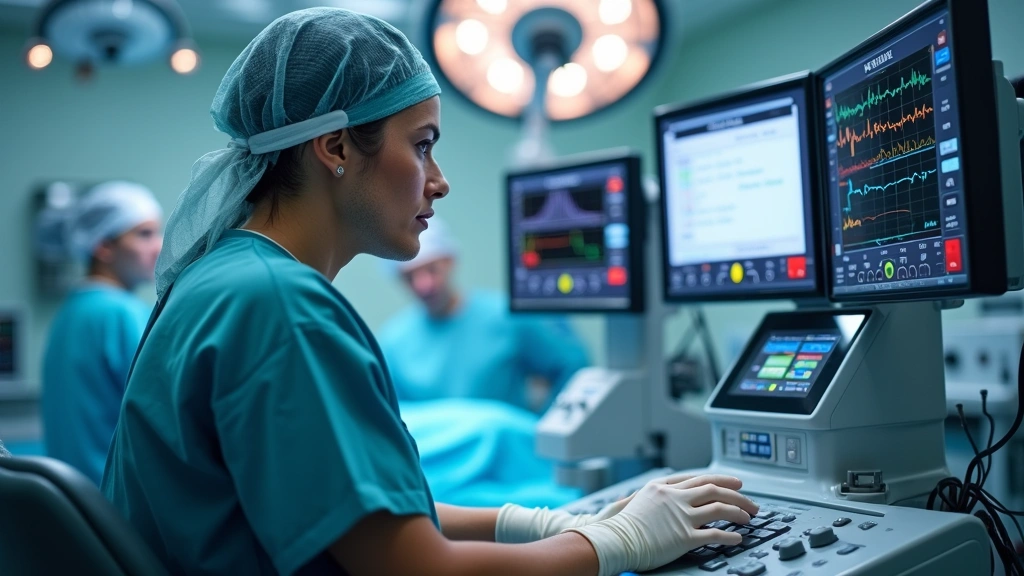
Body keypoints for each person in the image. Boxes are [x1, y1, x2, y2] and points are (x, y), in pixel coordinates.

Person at [101, 9, 757, 576]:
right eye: (422, 146)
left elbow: (357, 508)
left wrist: (526, 526)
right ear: (335, 147)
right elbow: (416, 568)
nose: (438, 182)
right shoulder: (281, 307)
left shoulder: (226, 279)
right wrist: (615, 542)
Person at [378, 218, 590, 412]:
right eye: (409, 277)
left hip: (507, 451)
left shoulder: (506, 316)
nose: (423, 285)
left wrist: (540, 434)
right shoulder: (394, 343)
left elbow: (570, 367)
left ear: (450, 261)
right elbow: (398, 419)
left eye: (431, 269)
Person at [40, 181, 162, 485]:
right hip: (117, 505)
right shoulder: (120, 313)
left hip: (77, 506)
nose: (159, 246)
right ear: (104, 246)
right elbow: (164, 417)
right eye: (144, 234)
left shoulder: (72, 310)